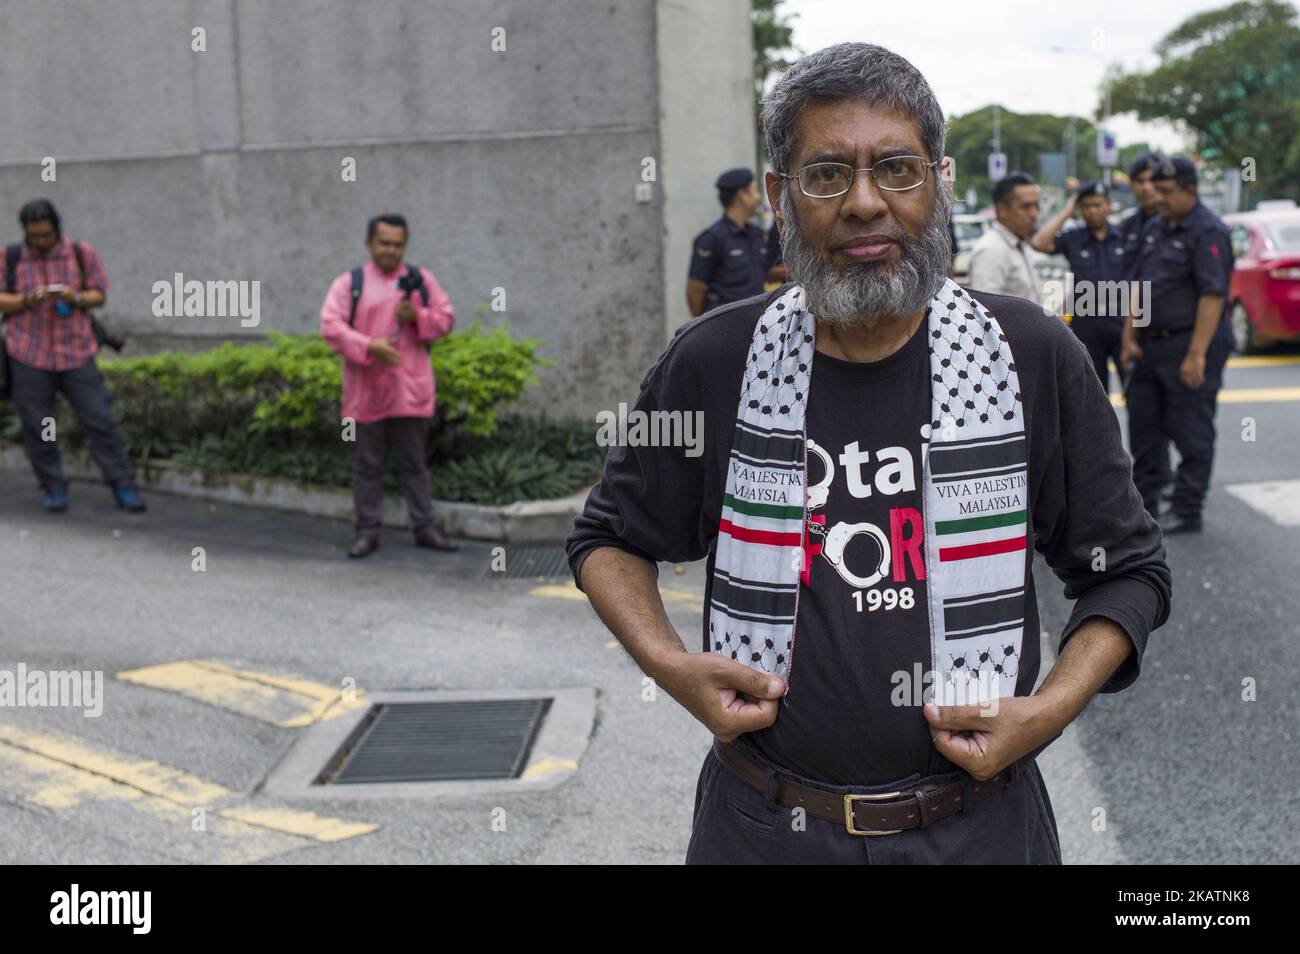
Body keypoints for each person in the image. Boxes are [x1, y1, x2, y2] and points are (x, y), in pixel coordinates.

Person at [567, 42, 1171, 864]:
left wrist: (1048, 710)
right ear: (780, 195)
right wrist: (669, 664)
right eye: (826, 174)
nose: (864, 203)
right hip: (763, 829)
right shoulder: (715, 359)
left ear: (939, 184)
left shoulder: (1027, 354)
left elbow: (1128, 571)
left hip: (981, 832)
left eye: (896, 168)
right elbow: (609, 537)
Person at [320, 213, 457, 557]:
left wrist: (419, 317)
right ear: (369, 243)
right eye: (384, 243)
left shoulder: (419, 280)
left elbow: (446, 319)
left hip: (408, 391)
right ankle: (367, 531)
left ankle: (425, 528)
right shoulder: (349, 283)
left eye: (398, 244)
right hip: (366, 392)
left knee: (414, 464)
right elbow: (330, 326)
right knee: (367, 465)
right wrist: (369, 346)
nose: (391, 250)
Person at [0, 199, 145, 513]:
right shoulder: (10, 258)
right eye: (34, 235)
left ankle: (123, 485)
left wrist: (74, 297)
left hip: (76, 353)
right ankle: (53, 487)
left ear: (57, 229)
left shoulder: (81, 253)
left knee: (99, 420)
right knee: (41, 426)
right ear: (25, 232)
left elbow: (99, 294)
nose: (41, 241)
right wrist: (28, 300)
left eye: (46, 234)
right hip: (29, 355)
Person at [1121, 157, 1234, 534]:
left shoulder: (1208, 231)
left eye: (1167, 191)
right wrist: (1129, 337)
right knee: (1145, 427)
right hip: (1151, 347)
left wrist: (1197, 354)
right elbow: (1139, 287)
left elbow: (1213, 295)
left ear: (1190, 189)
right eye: (1155, 189)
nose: (1158, 197)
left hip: (1189, 345)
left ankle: (1187, 508)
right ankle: (1147, 504)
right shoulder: (1156, 227)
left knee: (1191, 429)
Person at [1030, 181, 1128, 391]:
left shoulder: (1124, 236)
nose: (1092, 211)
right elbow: (1039, 242)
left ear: (1108, 206)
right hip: (1087, 323)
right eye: (1086, 206)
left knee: (1134, 389)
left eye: (1098, 205)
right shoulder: (1074, 238)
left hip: (1121, 322)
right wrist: (1067, 211)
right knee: (1095, 392)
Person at [1122, 152, 1175, 501]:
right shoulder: (1127, 227)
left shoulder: (1177, 223)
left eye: (1152, 181)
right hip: (1132, 331)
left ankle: (1168, 481)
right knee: (1141, 413)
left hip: (1173, 335)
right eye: (1140, 181)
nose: (1147, 189)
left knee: (1178, 416)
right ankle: (1148, 486)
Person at [686, 168, 768, 316]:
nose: (758, 197)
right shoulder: (712, 239)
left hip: (757, 322)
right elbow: (695, 287)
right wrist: (703, 323)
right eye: (755, 190)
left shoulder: (756, 234)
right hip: (725, 325)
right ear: (743, 195)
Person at [967, 172, 1042, 304]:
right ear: (1002, 209)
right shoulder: (991, 250)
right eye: (1026, 207)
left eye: (1036, 206)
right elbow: (986, 311)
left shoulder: (1020, 243)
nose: (1034, 214)